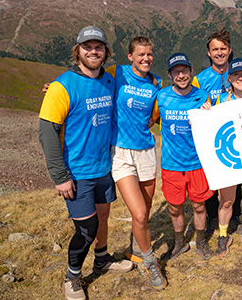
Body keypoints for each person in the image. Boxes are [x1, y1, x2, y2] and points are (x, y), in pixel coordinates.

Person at [39, 26, 132, 300]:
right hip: (77, 173)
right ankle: (72, 276)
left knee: (103, 218)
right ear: (77, 51)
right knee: (86, 228)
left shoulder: (109, 79)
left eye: (99, 47)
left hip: (104, 167)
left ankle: (102, 259)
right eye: (87, 47)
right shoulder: (62, 86)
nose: (93, 52)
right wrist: (59, 176)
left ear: (106, 52)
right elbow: (47, 132)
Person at [104, 36, 165, 289]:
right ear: (130, 56)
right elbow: (89, 83)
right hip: (121, 154)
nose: (146, 59)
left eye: (149, 54)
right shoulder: (115, 72)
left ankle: (137, 247)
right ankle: (150, 263)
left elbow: (157, 114)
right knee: (139, 213)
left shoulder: (155, 82)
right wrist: (56, 86)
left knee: (145, 213)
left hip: (147, 151)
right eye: (140, 55)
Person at [157, 53, 215, 260]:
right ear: (170, 74)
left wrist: (209, 113)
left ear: (191, 71)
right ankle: (179, 243)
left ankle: (200, 241)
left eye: (185, 70)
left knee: (199, 206)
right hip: (171, 165)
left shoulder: (203, 96)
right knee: (174, 208)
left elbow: (214, 125)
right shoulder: (161, 97)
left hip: (197, 163)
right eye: (176, 71)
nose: (181, 75)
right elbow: (153, 119)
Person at [206, 58, 242, 256]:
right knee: (227, 200)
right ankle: (223, 235)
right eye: (236, 75)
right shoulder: (220, 100)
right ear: (229, 78)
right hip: (228, 157)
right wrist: (204, 115)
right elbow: (209, 126)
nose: (240, 78)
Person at [192, 28, 242, 236]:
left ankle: (236, 217)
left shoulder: (240, 74)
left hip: (238, 135)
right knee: (211, 179)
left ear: (230, 50)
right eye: (215, 49)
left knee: (238, 178)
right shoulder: (200, 79)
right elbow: (193, 105)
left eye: (223, 49)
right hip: (211, 139)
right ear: (209, 53)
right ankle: (214, 217)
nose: (219, 53)